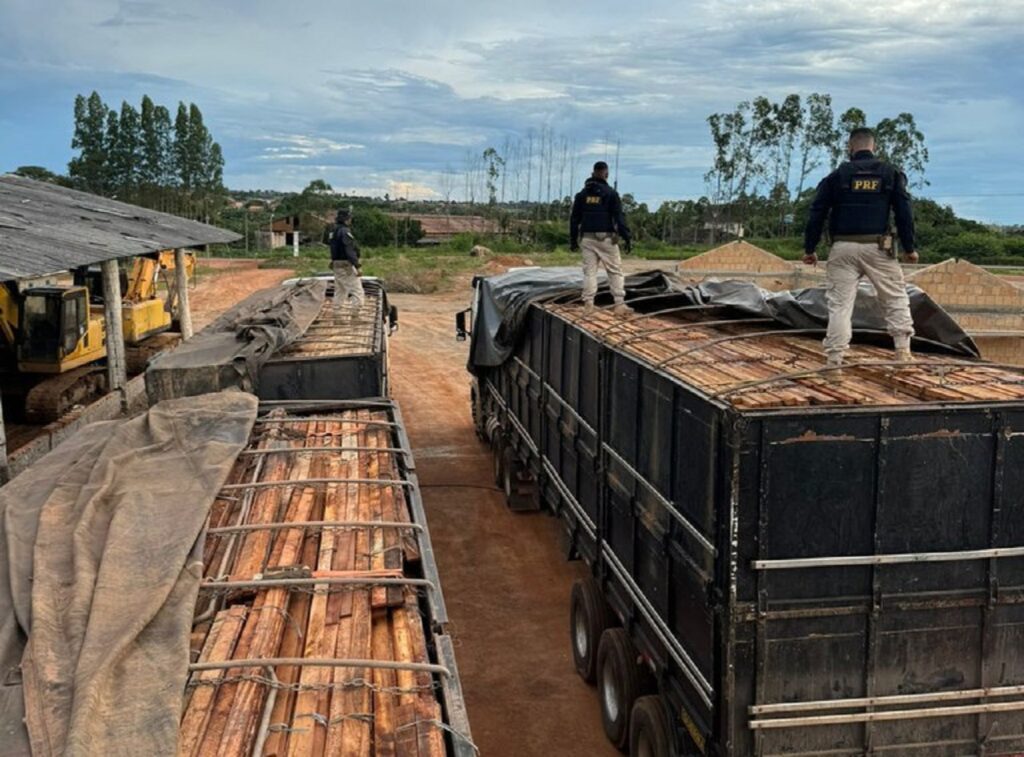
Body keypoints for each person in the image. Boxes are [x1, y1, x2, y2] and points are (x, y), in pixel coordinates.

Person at [804, 127, 918, 369]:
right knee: (895, 297)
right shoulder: (891, 174)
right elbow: (904, 214)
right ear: (873, 147)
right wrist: (910, 248)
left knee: (840, 306)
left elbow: (817, 213)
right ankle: (903, 353)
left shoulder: (837, 176)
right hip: (879, 248)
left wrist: (809, 248)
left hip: (842, 248)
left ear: (850, 147)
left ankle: (834, 361)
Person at [570, 161, 633, 314]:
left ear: (593, 173)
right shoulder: (611, 193)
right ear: (606, 174)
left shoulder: (581, 195)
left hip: (587, 238)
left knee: (589, 273)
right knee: (615, 271)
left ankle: (588, 305)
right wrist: (627, 238)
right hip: (607, 239)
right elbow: (619, 218)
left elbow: (574, 219)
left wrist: (572, 240)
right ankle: (619, 305)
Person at [329, 208, 365, 309]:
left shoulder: (333, 231)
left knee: (340, 291)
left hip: (336, 264)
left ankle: (337, 316)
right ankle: (356, 317)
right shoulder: (345, 232)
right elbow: (349, 249)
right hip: (346, 265)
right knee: (357, 291)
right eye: (349, 218)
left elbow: (334, 249)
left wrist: (333, 260)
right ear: (346, 219)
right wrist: (357, 266)